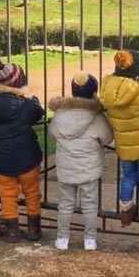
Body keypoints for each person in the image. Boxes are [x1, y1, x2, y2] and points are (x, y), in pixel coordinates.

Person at [99, 49, 139, 229]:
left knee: (127, 177)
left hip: (124, 146)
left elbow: (124, 89)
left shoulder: (108, 90)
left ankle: (125, 211)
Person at [48, 72, 113, 251]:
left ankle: (62, 238)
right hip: (88, 169)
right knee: (90, 204)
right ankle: (89, 239)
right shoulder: (96, 117)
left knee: (66, 204)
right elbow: (107, 138)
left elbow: (52, 132)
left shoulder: (60, 115)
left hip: (66, 168)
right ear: (93, 92)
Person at [0, 58, 45, 243]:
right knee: (32, 192)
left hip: (3, 160)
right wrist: (29, 96)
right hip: (27, 159)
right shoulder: (24, 104)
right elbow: (38, 110)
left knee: (8, 194)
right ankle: (34, 229)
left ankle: (12, 231)